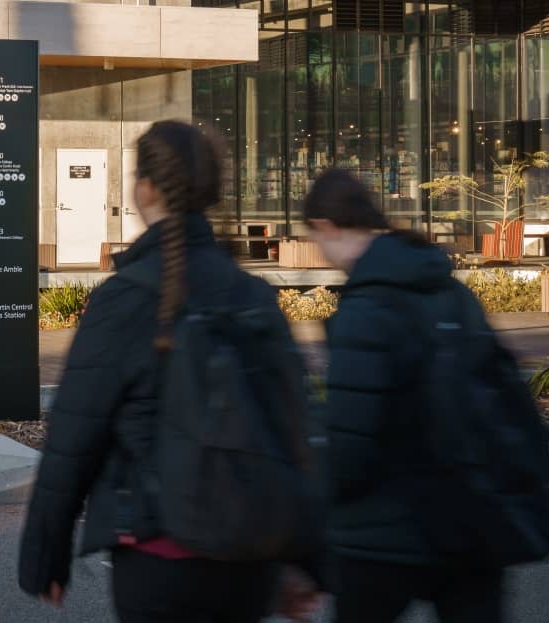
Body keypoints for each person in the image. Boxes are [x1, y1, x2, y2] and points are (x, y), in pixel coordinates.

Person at [18, 120, 322, 622]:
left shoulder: (126, 298)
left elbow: (75, 435)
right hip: (249, 559)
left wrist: (44, 555)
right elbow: (296, 429)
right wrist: (306, 557)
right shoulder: (252, 296)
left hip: (157, 558)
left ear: (145, 189)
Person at [303, 169, 507, 623]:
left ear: (325, 226)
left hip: (385, 534)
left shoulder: (365, 307)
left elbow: (350, 444)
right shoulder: (450, 290)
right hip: (470, 518)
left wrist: (309, 541)